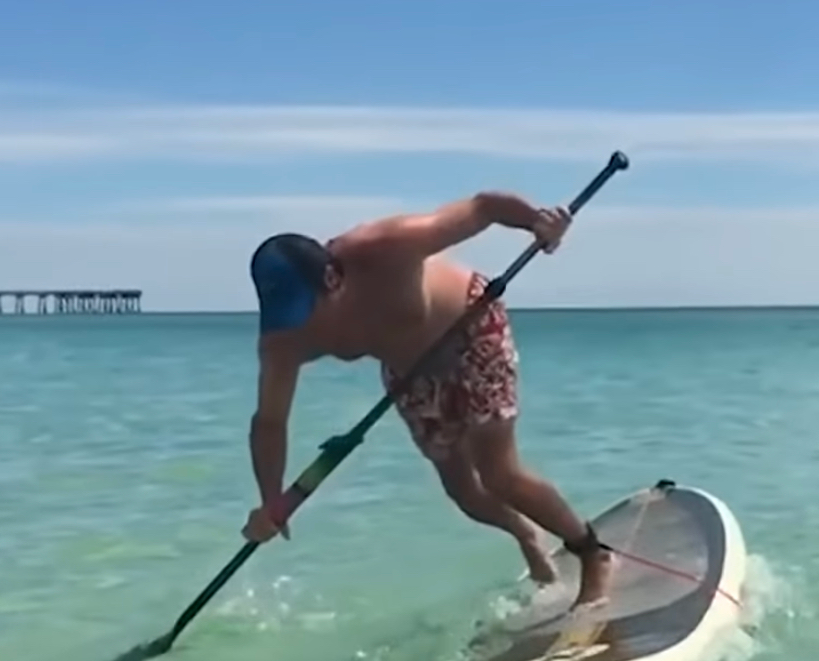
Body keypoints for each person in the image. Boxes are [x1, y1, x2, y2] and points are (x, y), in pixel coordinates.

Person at [241, 190, 612, 608]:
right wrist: (270, 501)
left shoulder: (384, 247)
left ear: (332, 280)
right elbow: (269, 422)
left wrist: (537, 223)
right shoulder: (282, 341)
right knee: (464, 494)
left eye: (306, 310)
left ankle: (592, 552)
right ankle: (526, 533)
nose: (302, 328)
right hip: (409, 373)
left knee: (499, 474)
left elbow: (482, 208)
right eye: (287, 315)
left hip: (470, 329)